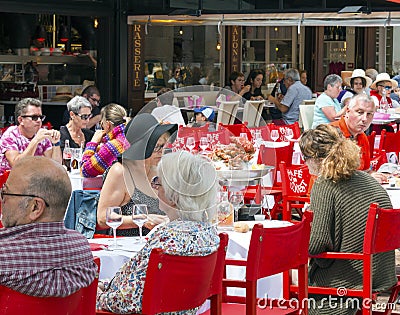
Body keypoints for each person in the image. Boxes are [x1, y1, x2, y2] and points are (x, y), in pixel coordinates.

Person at [97, 150, 219, 313]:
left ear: (173, 196)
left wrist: (97, 295)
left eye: (158, 183)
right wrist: (104, 286)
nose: (154, 188)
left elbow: (128, 301)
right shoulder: (209, 233)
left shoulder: (167, 238)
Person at [299, 124, 396, 315]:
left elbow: (316, 245)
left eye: (306, 158)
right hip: (381, 269)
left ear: (316, 159)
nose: (305, 163)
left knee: (285, 272)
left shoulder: (325, 184)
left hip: (350, 275)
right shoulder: (367, 179)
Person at [0, 156, 97, 297]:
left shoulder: (4, 254)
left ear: (35, 207)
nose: (2, 200)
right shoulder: (82, 246)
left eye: (5, 193)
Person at [97, 113, 178, 236]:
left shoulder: (158, 170)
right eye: (157, 147)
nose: (162, 152)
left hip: (158, 242)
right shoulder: (121, 171)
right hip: (127, 245)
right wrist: (142, 220)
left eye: (164, 146)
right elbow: (103, 218)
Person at [330, 94, 387, 183]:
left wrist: (372, 175)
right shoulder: (331, 134)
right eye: (360, 112)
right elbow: (331, 176)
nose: (364, 119)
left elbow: (365, 170)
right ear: (347, 112)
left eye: (369, 114)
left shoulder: (362, 136)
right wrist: (367, 179)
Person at [0, 98, 62, 175]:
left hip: (35, 181)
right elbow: (17, 166)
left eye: (41, 117)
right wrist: (35, 141)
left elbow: (56, 166)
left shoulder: (41, 134)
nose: (39, 120)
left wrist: (56, 143)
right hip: (11, 182)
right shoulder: (10, 135)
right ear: (21, 120)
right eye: (34, 117)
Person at [81, 103, 130, 178]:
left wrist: (93, 143)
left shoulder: (113, 147)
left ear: (108, 125)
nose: (102, 127)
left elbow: (85, 171)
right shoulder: (131, 137)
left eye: (102, 124)